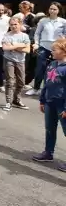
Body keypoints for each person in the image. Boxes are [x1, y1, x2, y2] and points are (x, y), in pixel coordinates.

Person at [32, 38, 66, 172]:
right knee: (49, 129)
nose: (52, 52)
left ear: (64, 51)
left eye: (54, 49)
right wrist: (42, 100)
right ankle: (48, 152)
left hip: (62, 105)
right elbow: (46, 84)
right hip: (49, 102)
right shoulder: (51, 64)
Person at [29, 3, 66, 96]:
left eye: (55, 9)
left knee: (53, 70)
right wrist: (36, 43)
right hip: (43, 47)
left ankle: (48, 89)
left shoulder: (63, 22)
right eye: (51, 9)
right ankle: (36, 88)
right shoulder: (43, 21)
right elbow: (37, 33)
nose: (52, 11)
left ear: (59, 11)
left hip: (57, 48)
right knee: (40, 68)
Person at [1, 17, 31, 111]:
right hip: (9, 60)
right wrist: (21, 45)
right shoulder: (7, 35)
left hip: (20, 61)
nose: (13, 26)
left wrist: (14, 46)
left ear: (20, 24)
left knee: (21, 82)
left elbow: (27, 50)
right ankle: (8, 102)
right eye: (11, 24)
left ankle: (16, 100)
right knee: (10, 82)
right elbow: (5, 48)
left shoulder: (24, 36)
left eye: (15, 24)